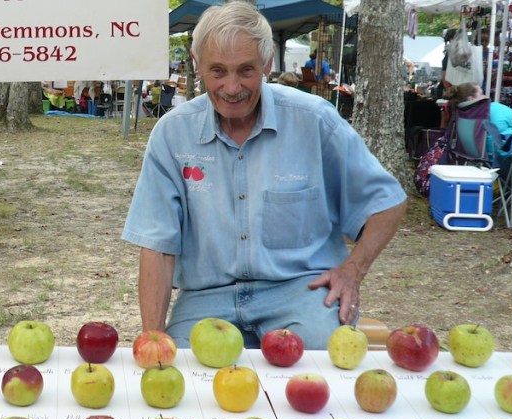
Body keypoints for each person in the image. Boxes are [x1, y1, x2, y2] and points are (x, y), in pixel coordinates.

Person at [121, 2, 407, 350]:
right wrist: (154, 336)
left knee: (325, 366)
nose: (231, 87)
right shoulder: (172, 135)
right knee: (184, 378)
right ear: (197, 66)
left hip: (300, 290)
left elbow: (386, 203)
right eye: (217, 71)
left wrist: (352, 272)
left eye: (245, 70)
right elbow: (157, 245)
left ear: (267, 64)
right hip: (206, 297)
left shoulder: (314, 120)